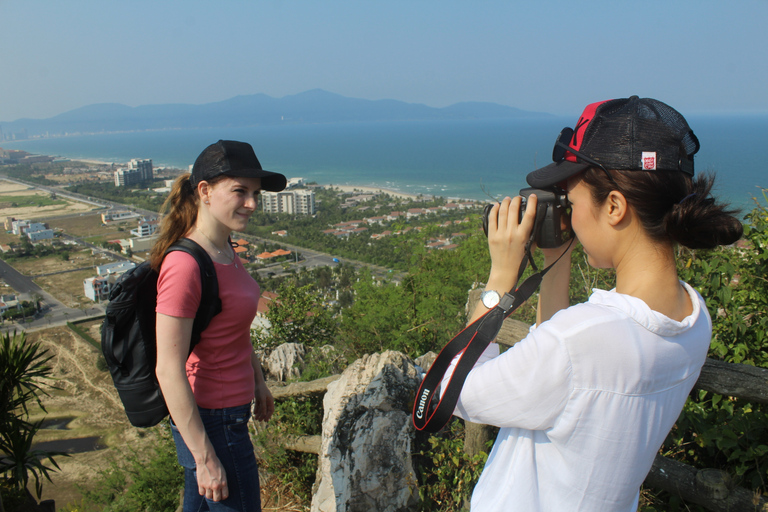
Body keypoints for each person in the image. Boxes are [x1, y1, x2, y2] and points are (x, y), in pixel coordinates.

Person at [444, 97, 743, 511]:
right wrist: (555, 257)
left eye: (572, 199)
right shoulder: (693, 316)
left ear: (615, 207)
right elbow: (559, 361)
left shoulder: (581, 341)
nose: (570, 212)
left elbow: (454, 391)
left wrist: (499, 279)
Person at [153, 140, 286, 511]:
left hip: (226, 415)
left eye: (255, 193)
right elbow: (168, 369)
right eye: (240, 191)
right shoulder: (185, 266)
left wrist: (257, 381)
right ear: (205, 191)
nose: (252, 204)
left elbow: (233, 331)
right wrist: (205, 457)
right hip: (213, 424)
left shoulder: (225, 249)